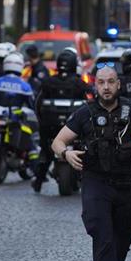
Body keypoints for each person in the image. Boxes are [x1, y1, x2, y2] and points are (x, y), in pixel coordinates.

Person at [50, 63, 131, 261]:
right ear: (95, 85)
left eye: (110, 82)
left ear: (118, 84)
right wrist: (66, 154)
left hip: (127, 182)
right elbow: (57, 142)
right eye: (101, 82)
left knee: (125, 233)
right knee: (102, 234)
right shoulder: (84, 113)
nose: (106, 87)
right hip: (96, 182)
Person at [32, 49, 91, 193]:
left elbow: (37, 104)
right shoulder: (79, 83)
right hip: (74, 130)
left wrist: (41, 122)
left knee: (45, 153)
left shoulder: (48, 82)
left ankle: (38, 182)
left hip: (49, 128)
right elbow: (92, 101)